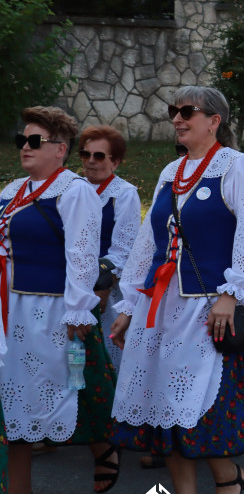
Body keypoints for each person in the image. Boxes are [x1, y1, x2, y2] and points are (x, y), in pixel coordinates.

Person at [109, 86, 244, 494]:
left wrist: (231, 292)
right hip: (159, 305)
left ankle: (227, 478)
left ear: (214, 120)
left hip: (205, 306)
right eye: (174, 112)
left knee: (200, 399)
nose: (178, 118)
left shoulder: (236, 167)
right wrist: (129, 304)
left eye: (188, 112)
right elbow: (148, 244)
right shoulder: (171, 171)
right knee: (157, 400)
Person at [0, 106, 118, 494]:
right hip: (9, 309)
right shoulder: (12, 190)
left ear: (60, 149)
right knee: (11, 399)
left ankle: (106, 447)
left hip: (47, 311)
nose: (25, 148)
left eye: (35, 141)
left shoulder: (74, 191)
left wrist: (77, 312)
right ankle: (19, 490)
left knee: (72, 386)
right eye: (22, 140)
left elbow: (82, 255)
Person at [78, 126, 142, 370]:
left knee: (104, 358)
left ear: (114, 162)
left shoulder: (124, 194)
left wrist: (102, 285)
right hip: (69, 284)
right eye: (85, 154)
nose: (90, 161)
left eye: (99, 156)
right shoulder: (72, 189)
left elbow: (125, 249)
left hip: (106, 288)